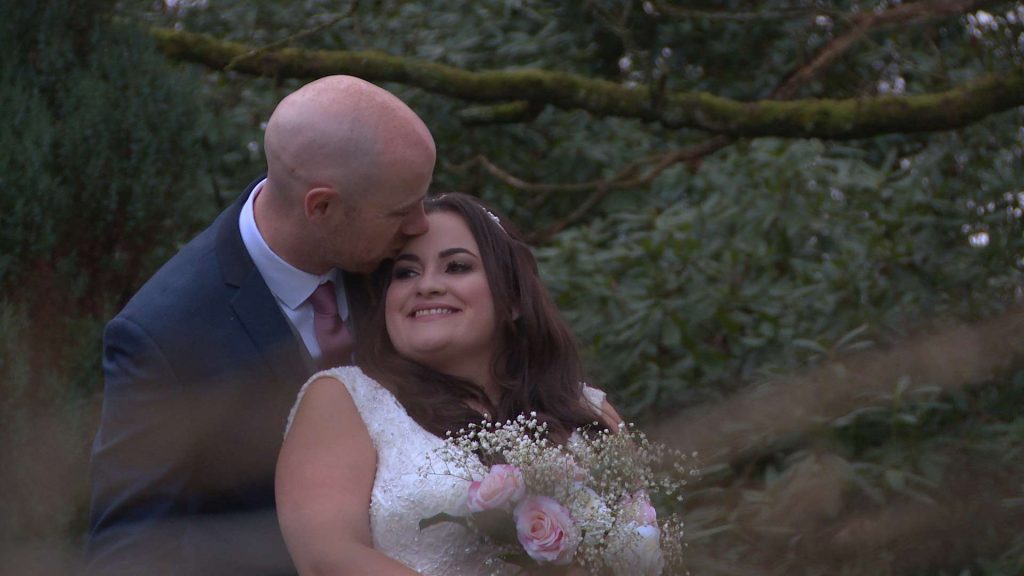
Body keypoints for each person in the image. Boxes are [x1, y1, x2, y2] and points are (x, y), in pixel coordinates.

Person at [86, 75, 436, 575]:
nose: (422, 225)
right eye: (403, 210)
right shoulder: (165, 335)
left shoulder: (410, 267)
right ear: (322, 207)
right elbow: (129, 550)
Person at [276, 193, 623, 575]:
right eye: (405, 273)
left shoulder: (586, 410)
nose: (426, 286)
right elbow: (327, 557)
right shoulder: (344, 401)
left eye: (456, 267)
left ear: (514, 298)